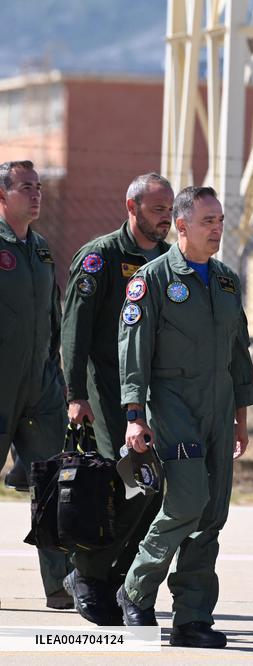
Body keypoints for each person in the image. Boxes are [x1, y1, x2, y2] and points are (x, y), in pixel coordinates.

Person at [115, 186, 253, 649]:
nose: (217, 228)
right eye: (207, 221)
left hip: (217, 406)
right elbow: (132, 351)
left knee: (213, 512)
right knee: (187, 502)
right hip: (171, 404)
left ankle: (192, 617)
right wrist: (135, 415)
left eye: (219, 220)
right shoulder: (152, 281)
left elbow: (239, 353)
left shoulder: (227, 281)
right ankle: (136, 590)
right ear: (181, 226)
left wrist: (241, 414)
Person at [60, 173, 174, 625]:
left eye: (169, 210)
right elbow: (75, 332)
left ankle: (118, 577)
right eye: (157, 209)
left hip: (152, 394)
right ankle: (86, 575)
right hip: (106, 389)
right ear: (132, 208)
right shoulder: (100, 258)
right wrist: (74, 394)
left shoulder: (169, 260)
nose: (165, 218)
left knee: (155, 489)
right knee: (126, 481)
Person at [0, 159, 74, 610]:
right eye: (25, 187)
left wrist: (59, 382)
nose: (36, 194)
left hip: (41, 390)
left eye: (38, 187)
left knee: (52, 485)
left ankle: (61, 585)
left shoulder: (42, 250)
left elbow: (53, 320)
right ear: (2, 196)